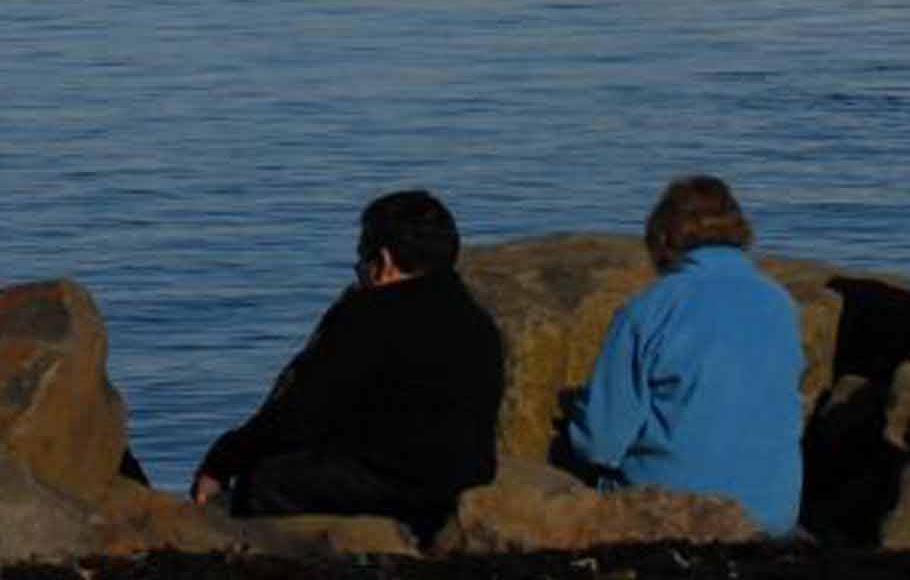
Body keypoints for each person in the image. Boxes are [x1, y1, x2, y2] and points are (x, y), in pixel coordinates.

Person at [189, 189, 504, 542]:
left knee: (264, 480)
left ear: (383, 261)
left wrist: (222, 460)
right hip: (464, 473)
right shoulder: (474, 318)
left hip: (395, 482)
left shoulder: (369, 316)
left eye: (360, 262)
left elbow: (299, 415)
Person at [565, 176, 803, 535]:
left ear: (663, 236)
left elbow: (600, 445)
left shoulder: (650, 309)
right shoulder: (780, 303)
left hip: (676, 512)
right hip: (772, 514)